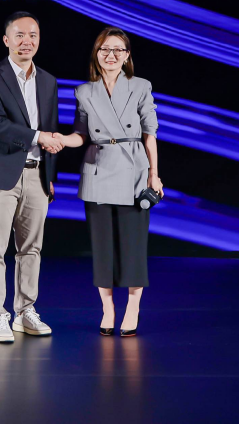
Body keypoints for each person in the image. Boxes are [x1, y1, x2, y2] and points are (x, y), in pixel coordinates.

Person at [55, 27, 162, 336]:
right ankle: (107, 308)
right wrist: (60, 139)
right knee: (102, 247)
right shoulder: (84, 92)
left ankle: (133, 307)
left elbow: (149, 134)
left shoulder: (140, 86)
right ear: (96, 54)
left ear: (127, 56)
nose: (111, 55)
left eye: (118, 50)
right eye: (105, 49)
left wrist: (154, 174)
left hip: (134, 171)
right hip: (98, 170)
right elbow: (81, 134)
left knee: (133, 246)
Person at [0, 11, 63, 343]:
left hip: (37, 175)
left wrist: (49, 174)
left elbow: (52, 128)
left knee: (31, 250)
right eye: (20, 35)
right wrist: (38, 137)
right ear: (6, 40)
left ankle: (25, 312)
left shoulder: (48, 81)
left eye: (33, 35)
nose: (27, 41)